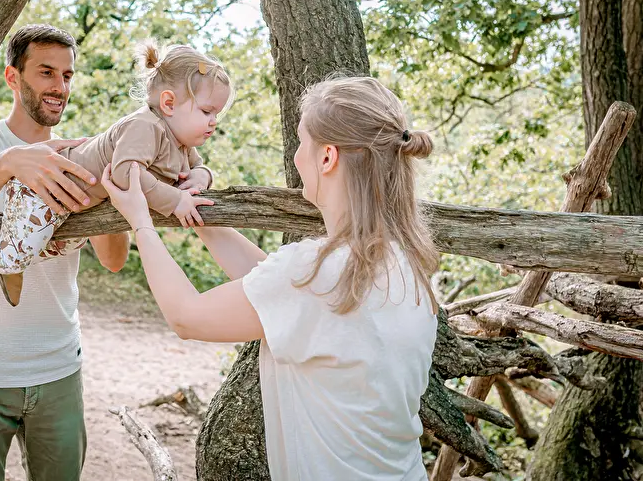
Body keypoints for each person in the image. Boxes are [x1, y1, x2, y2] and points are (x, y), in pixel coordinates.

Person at [102, 75, 439, 480]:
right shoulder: (404, 261)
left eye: (302, 143)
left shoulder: (317, 271)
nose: (298, 157)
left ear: (327, 157)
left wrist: (140, 219)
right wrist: (195, 214)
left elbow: (186, 316)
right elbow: (275, 291)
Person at [0, 24, 139, 481]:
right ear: (13, 77)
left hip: (58, 367)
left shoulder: (84, 154)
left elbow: (114, 259)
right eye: (47, 72)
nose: (59, 87)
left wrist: (106, 191)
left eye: (67, 75)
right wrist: (14, 161)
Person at [0, 39, 230, 308]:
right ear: (169, 102)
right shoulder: (144, 127)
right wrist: (175, 200)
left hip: (71, 209)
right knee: (14, 255)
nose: (214, 121)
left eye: (216, 113)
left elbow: (197, 166)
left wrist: (201, 179)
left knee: (59, 246)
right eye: (207, 111)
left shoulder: (179, 140)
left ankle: (12, 260)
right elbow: (126, 174)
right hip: (41, 192)